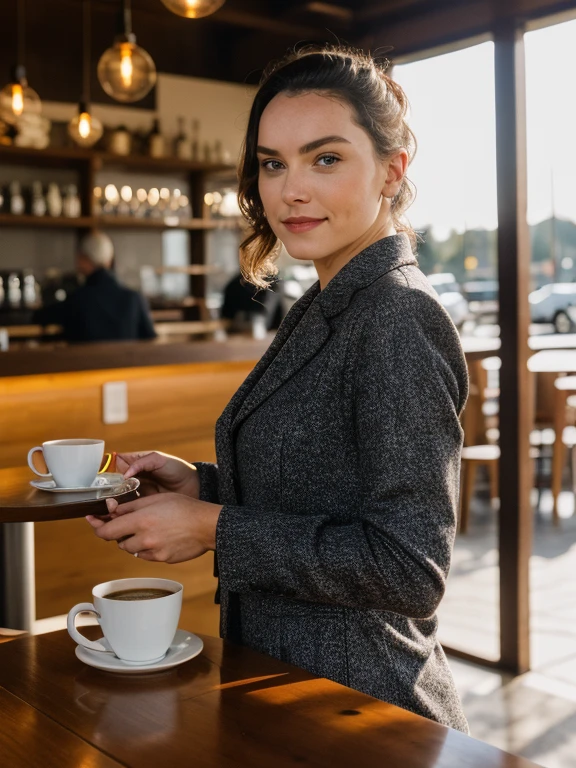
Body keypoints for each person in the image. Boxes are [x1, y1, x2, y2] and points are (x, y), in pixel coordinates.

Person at [86, 46, 469, 732]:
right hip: (289, 692)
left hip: (360, 711)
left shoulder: (397, 315)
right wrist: (200, 487)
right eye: (273, 162)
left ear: (392, 169)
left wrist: (212, 528)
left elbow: (410, 569)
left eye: (325, 158)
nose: (291, 188)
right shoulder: (327, 301)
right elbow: (319, 489)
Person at [33, 230, 156, 342]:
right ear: (109, 259)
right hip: (127, 366)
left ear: (82, 259)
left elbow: (38, 318)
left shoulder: (77, 300)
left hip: (83, 366)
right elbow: (151, 342)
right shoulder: (135, 298)